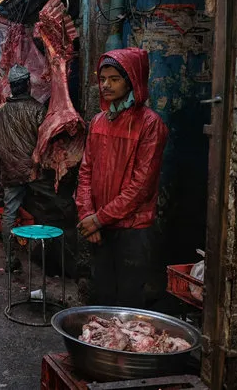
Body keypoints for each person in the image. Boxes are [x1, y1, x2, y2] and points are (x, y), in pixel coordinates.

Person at [75, 48, 168, 308]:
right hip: (99, 225)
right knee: (102, 293)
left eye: (114, 79)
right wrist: (86, 215)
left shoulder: (151, 125)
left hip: (132, 229)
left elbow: (141, 187)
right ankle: (101, 349)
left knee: (129, 300)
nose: (106, 85)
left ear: (132, 81)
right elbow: (85, 172)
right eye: (102, 78)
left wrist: (98, 219)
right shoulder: (97, 122)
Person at [0, 65, 47, 272]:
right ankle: (44, 256)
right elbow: (45, 145)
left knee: (10, 214)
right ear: (28, 85)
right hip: (35, 174)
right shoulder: (38, 110)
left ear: (12, 87)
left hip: (11, 173)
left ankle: (10, 259)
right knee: (44, 212)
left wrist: (1, 171)